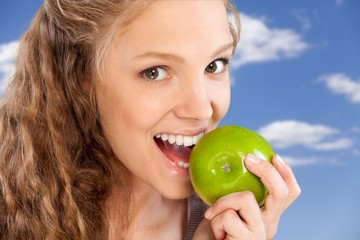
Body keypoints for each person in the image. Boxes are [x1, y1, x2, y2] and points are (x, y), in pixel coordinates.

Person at [0, 0, 301, 239]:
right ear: (81, 77)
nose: (202, 110)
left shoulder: (224, 222)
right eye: (155, 72)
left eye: (214, 65)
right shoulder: (10, 203)